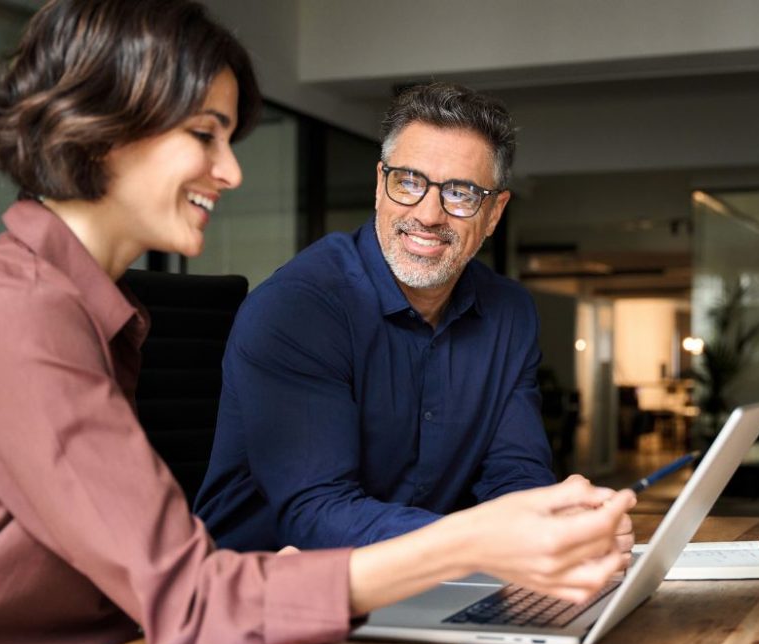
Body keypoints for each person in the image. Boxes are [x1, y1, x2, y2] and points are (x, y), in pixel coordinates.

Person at [0, 2, 636, 644]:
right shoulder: (19, 316)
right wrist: (474, 542)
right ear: (105, 132)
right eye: (205, 135)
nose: (231, 172)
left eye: (229, 140)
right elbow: (192, 599)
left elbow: (162, 583)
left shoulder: (84, 306)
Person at [194, 83, 634, 557]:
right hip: (271, 591)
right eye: (408, 181)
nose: (427, 214)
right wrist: (487, 541)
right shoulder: (299, 308)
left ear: (493, 213)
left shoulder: (510, 314)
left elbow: (514, 473)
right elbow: (317, 515)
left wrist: (556, 523)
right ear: (380, 185)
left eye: (461, 193)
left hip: (435, 581)